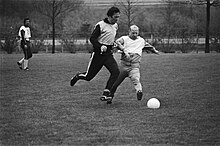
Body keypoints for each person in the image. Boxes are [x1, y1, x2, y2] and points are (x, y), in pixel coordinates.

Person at [70, 6, 120, 103]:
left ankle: (106, 92)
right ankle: (77, 76)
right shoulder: (100, 25)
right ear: (109, 16)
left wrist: (113, 44)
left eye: (118, 17)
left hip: (108, 54)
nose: (117, 19)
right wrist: (100, 46)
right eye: (115, 17)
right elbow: (92, 38)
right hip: (98, 54)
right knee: (88, 77)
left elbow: (110, 38)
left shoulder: (115, 25)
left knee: (116, 72)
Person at [106, 25, 159, 104]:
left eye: (136, 33)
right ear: (129, 32)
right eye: (133, 33)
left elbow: (148, 46)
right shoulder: (124, 39)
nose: (134, 34)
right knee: (116, 83)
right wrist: (122, 49)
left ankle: (139, 91)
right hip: (123, 65)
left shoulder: (141, 40)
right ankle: (110, 96)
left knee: (136, 80)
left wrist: (154, 50)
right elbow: (117, 42)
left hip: (134, 66)